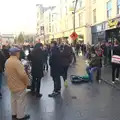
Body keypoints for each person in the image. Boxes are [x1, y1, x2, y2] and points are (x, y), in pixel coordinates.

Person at [5, 47, 30, 120]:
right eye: (18, 52)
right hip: (19, 85)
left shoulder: (7, 61)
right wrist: (27, 82)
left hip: (11, 84)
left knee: (13, 99)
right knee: (20, 101)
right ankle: (20, 116)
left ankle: (14, 113)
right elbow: (23, 75)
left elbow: (6, 73)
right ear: (16, 53)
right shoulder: (17, 62)